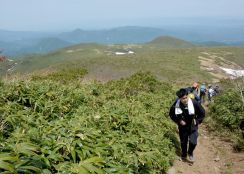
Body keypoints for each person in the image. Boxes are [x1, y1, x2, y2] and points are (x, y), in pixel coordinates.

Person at [169, 88, 205, 163]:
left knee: (193, 142)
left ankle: (190, 152)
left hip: (193, 125)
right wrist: (179, 121)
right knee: (183, 142)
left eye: (186, 97)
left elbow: (202, 112)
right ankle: (184, 155)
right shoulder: (176, 104)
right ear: (179, 99)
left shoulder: (194, 103)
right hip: (182, 127)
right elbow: (171, 114)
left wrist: (197, 120)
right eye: (183, 98)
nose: (185, 100)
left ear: (188, 96)